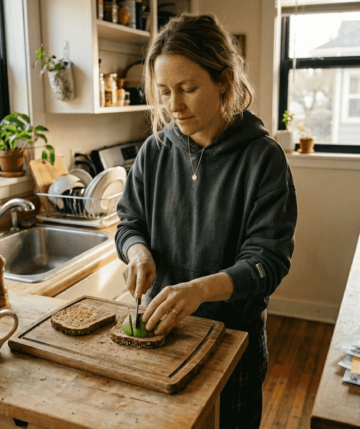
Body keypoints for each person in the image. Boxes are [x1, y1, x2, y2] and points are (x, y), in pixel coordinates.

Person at [115, 13, 298, 429]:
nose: (174, 106)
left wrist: (200, 290)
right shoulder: (154, 152)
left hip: (234, 344)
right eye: (164, 92)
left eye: (188, 89)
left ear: (224, 82)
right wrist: (138, 252)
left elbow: (267, 262)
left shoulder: (263, 159)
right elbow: (129, 223)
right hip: (162, 338)